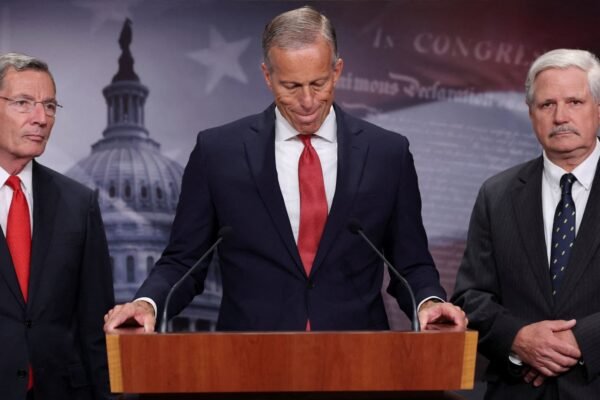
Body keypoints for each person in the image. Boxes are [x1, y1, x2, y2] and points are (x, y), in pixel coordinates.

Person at [104, 6, 465, 334]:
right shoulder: (218, 152)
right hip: (249, 357)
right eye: (291, 86)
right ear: (267, 76)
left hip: (356, 358)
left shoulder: (387, 153)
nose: (307, 101)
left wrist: (429, 302)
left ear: (337, 71)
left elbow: (411, 263)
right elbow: (184, 260)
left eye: (318, 83)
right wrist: (146, 304)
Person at [452, 48, 600, 398]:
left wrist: (581, 341)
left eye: (574, 102)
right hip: (517, 389)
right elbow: (471, 297)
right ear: (531, 113)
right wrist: (518, 339)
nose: (561, 116)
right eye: (547, 104)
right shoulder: (497, 194)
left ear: (598, 107)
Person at [0, 53, 114, 399]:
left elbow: (94, 327)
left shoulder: (78, 203)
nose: (41, 118)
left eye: (49, 106)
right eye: (23, 103)